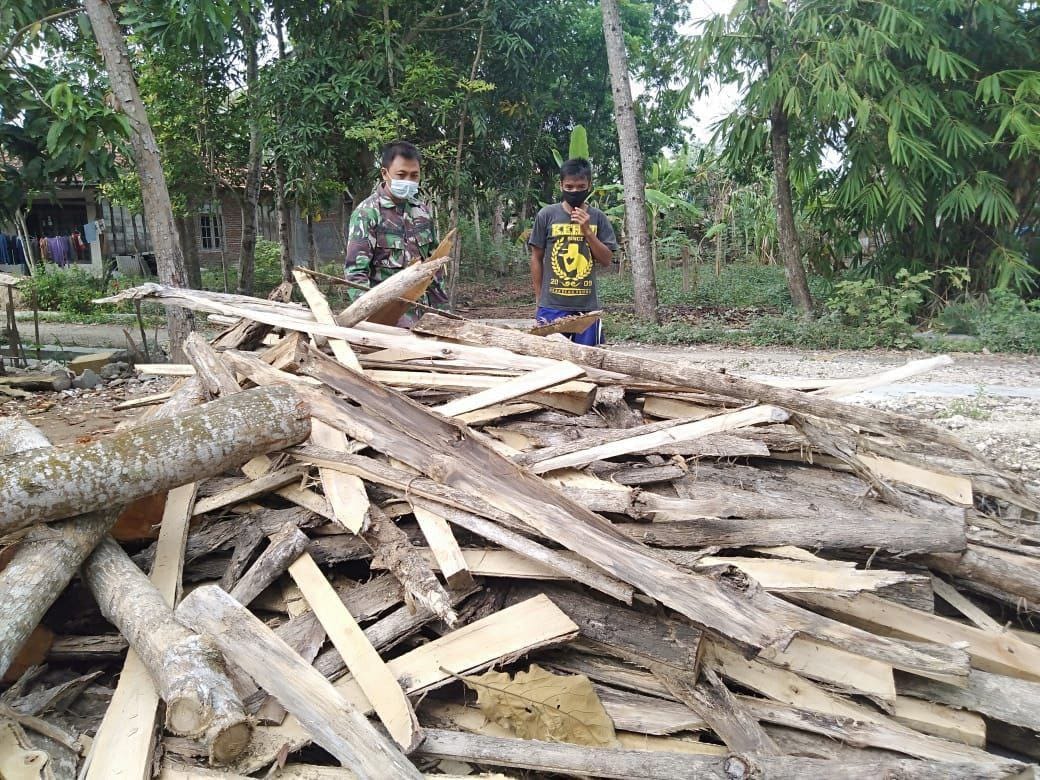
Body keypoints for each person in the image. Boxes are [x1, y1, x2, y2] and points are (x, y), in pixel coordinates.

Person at [344, 140, 447, 327]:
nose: (408, 181)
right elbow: (355, 274)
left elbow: (434, 268)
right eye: (401, 175)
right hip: (385, 324)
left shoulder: (421, 212)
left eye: (414, 175)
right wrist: (369, 322)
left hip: (422, 320)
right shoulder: (367, 214)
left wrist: (443, 315)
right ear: (385, 173)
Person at [528, 157, 618, 345]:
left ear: (589, 184)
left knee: (589, 362)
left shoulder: (598, 218)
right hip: (552, 306)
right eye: (569, 187)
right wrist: (539, 298)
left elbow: (606, 259)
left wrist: (587, 231)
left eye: (580, 186)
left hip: (587, 307)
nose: (575, 191)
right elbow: (536, 257)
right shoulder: (547, 215)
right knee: (549, 362)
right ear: (560, 185)